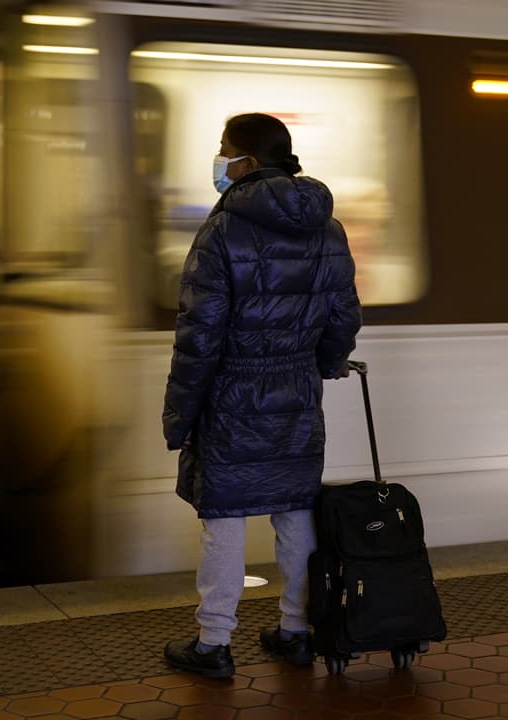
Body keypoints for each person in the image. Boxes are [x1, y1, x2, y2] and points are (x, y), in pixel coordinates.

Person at [161, 113, 362, 679]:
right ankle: (297, 631)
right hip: (296, 390)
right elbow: (344, 315)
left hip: (232, 391)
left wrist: (181, 411)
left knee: (223, 515)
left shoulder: (223, 229)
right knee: (295, 510)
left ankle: (214, 643)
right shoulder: (328, 227)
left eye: (224, 149)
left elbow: (199, 334)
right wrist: (321, 365)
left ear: (247, 160)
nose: (219, 160)